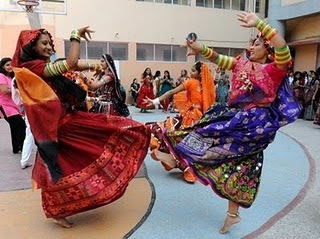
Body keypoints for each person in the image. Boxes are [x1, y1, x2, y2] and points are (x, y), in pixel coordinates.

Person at [152, 12, 300, 234]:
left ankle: (178, 158)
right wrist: (200, 48)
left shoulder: (275, 69)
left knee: (209, 136)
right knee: (242, 168)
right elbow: (219, 59)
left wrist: (260, 24)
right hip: (240, 120)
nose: (252, 48)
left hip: (254, 126)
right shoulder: (242, 64)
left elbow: (283, 49)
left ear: (268, 50)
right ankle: (232, 214)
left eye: (257, 44)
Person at [11, 27, 150, 228]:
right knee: (58, 169)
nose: (49, 47)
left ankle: (61, 207)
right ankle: (58, 209)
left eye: (50, 43)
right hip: (57, 127)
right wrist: (75, 36)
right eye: (44, 43)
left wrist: (94, 66)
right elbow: (71, 63)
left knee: (66, 164)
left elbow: (75, 67)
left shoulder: (43, 67)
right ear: (30, 46)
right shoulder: (34, 68)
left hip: (65, 121)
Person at [144, 61, 216, 183]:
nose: (190, 72)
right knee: (192, 144)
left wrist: (155, 101)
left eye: (193, 70)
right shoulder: (206, 87)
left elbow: (171, 92)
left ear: (199, 74)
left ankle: (182, 165)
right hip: (201, 118)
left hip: (189, 117)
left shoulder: (190, 82)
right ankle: (190, 170)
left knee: (170, 134)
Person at [0, 57, 26, 154]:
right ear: (2, 66)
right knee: (21, 125)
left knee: (14, 126)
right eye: (7, 65)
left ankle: (16, 148)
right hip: (5, 105)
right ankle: (23, 148)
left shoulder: (11, 78)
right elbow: (4, 90)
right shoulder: (1, 76)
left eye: (11, 64)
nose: (10, 67)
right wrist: (16, 90)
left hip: (14, 105)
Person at [11, 78, 34, 169]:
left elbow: (16, 99)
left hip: (29, 106)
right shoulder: (32, 73)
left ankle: (24, 161)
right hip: (37, 107)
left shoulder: (16, 78)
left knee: (30, 134)